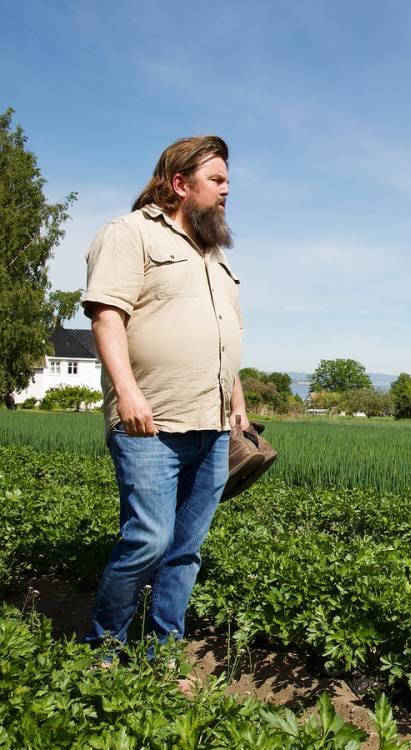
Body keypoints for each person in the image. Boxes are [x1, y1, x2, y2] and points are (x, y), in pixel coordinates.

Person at [81, 136, 246, 658]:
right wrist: (126, 393)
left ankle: (163, 655)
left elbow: (224, 332)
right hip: (150, 420)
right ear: (181, 184)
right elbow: (108, 314)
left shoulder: (211, 253)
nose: (228, 190)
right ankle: (103, 650)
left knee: (185, 551)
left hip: (213, 424)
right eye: (217, 180)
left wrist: (237, 400)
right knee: (148, 540)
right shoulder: (129, 234)